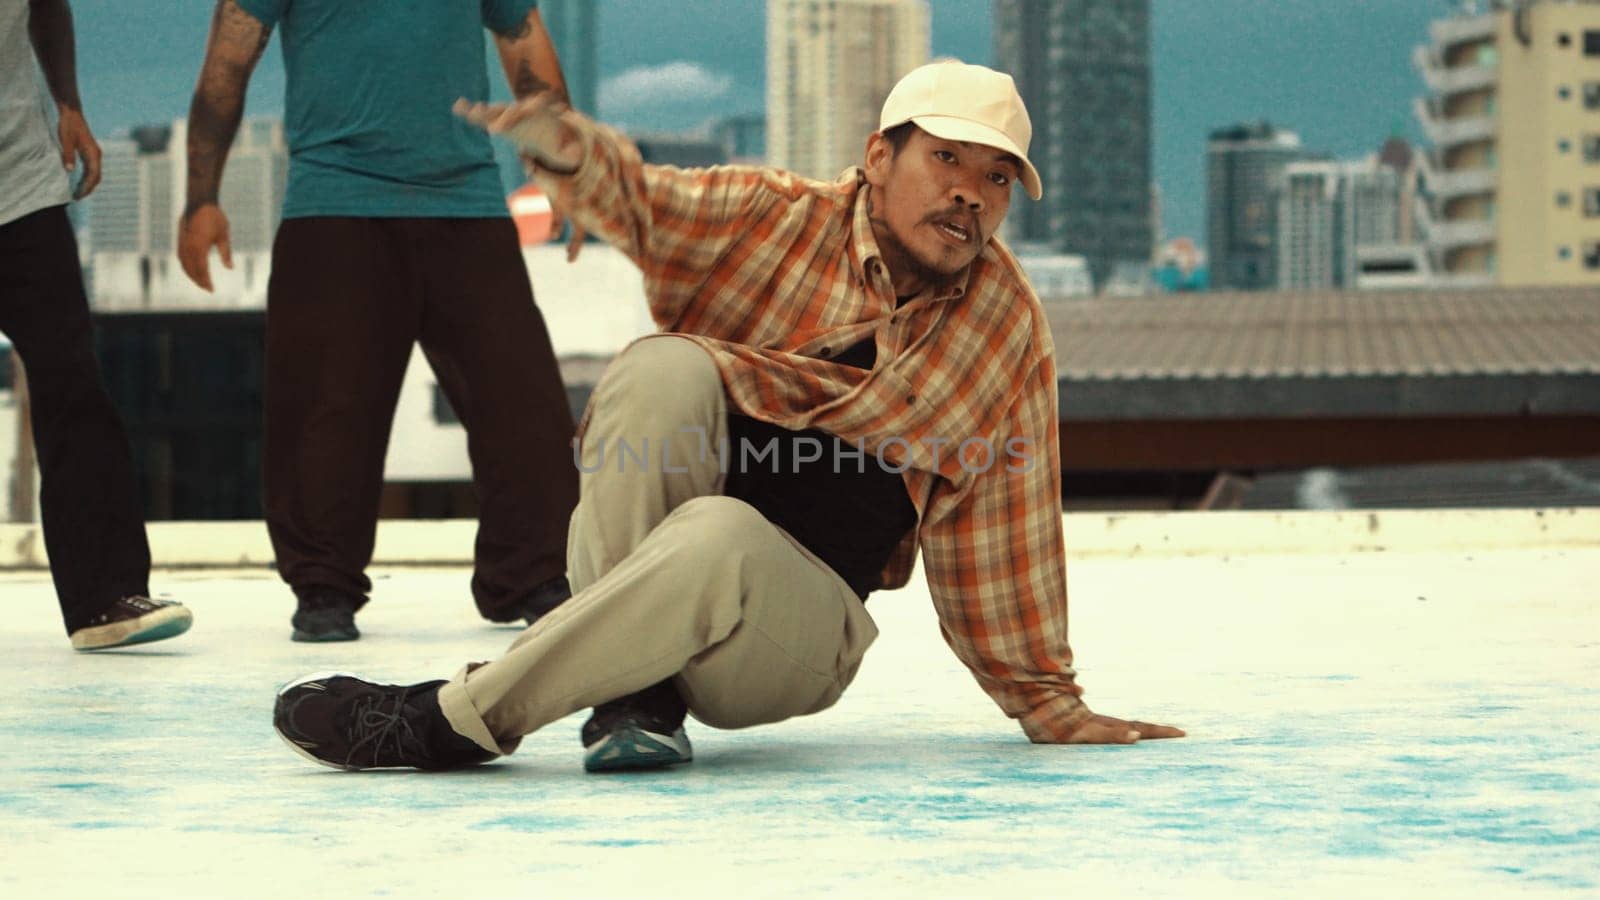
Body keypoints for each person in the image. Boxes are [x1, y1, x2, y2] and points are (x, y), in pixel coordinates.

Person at [273, 60, 1183, 773]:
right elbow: (645, 201)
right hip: (660, 562)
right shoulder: (776, 218)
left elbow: (1008, 520)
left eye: (993, 179)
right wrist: (565, 148)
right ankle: (636, 705)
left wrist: (1046, 698)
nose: (969, 196)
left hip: (792, 634)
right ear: (878, 158)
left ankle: (448, 721)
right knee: (660, 370)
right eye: (945, 159)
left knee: (716, 533)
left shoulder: (1006, 324)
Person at [177, 0, 580, 642]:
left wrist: (563, 168)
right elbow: (227, 63)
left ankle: (533, 576)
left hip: (467, 201)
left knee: (522, 400)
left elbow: (524, 49)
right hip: (335, 201)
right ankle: (323, 588)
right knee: (325, 413)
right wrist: (202, 198)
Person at [0, 0, 193, 650]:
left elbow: (46, 6)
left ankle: (103, 599)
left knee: (72, 383)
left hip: (19, 184)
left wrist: (70, 104)